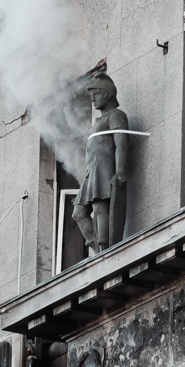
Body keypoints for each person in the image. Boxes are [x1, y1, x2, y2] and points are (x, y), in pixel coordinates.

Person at [72, 72, 129, 253]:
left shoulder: (116, 115)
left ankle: (103, 248)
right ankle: (96, 247)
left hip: (104, 169)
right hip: (92, 171)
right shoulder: (99, 120)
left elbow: (121, 143)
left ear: (107, 94)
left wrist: (119, 171)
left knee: (99, 208)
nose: (92, 99)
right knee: (78, 213)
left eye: (95, 94)